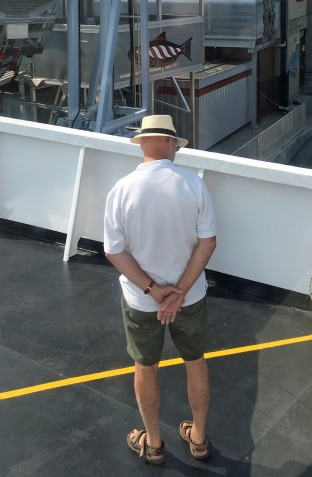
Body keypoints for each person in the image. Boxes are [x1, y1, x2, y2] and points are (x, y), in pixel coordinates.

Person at [104, 114, 217, 466]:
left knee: (146, 367)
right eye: (175, 143)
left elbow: (114, 251)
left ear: (143, 143)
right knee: (195, 362)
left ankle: (153, 444)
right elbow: (208, 243)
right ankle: (198, 439)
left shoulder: (121, 189)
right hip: (190, 297)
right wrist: (179, 292)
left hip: (141, 301)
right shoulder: (193, 184)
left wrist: (154, 291)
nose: (176, 149)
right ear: (168, 142)